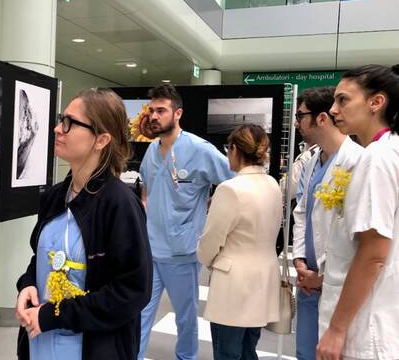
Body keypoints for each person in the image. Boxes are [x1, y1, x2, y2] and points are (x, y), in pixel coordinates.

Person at [15, 88, 152, 360]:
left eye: (69, 123)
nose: (57, 129)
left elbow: (131, 291)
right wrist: (28, 283)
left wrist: (55, 314)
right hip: (40, 340)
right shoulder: (55, 196)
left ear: (101, 139)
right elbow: (39, 257)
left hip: (91, 347)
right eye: (59, 119)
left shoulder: (120, 203)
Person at [137, 84, 234, 360]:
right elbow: (147, 189)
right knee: (140, 313)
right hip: (151, 251)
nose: (154, 116)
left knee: (186, 318)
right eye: (152, 110)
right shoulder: (151, 152)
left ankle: (187, 357)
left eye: (161, 110)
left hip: (182, 252)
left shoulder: (199, 150)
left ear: (177, 113)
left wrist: (212, 216)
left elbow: (235, 184)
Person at [317, 65, 399, 360]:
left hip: (364, 329)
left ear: (376, 102)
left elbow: (374, 252)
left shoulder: (377, 159)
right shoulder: (386, 152)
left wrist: (337, 330)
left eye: (343, 100)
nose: (333, 109)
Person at [197, 124, 283, 360]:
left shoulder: (230, 189)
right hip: (263, 278)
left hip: (232, 284)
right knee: (248, 349)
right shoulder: (273, 184)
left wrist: (209, 260)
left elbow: (211, 241)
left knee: (227, 351)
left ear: (234, 149)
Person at [291, 87, 363, 360]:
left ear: (321, 118)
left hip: (336, 282)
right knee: (305, 352)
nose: (297, 122)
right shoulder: (311, 162)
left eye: (300, 116)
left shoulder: (357, 162)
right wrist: (299, 259)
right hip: (307, 278)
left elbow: (357, 237)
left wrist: (321, 277)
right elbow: (302, 214)